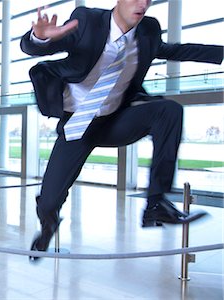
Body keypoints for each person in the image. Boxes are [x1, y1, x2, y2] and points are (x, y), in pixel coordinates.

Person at [20, 0, 224, 261]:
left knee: (169, 110)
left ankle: (156, 203)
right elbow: (40, 46)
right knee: (48, 201)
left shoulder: (148, 29)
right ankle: (48, 227)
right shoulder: (87, 21)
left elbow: (175, 50)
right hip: (78, 124)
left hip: (116, 121)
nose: (142, 4)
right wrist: (39, 37)